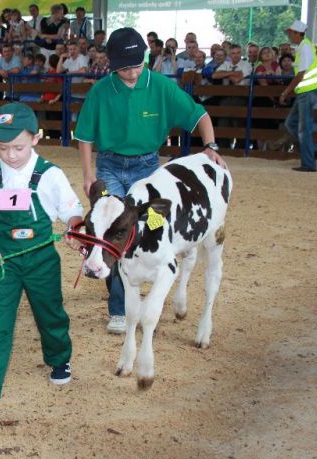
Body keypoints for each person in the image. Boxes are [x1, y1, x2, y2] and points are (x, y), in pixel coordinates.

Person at [74, 27, 227, 334]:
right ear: (112, 64)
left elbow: (199, 115)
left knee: (152, 229)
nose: (131, 73)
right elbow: (85, 136)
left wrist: (210, 146)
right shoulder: (101, 91)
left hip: (147, 166)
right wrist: (89, 174)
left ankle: (151, 290)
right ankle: (119, 308)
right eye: (124, 67)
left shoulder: (160, 86)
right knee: (113, 233)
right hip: (110, 165)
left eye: (136, 65)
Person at [0, 102, 84, 417]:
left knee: (50, 313)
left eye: (18, 147)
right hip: (6, 262)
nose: (11, 155)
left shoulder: (50, 175)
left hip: (42, 259)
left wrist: (73, 229)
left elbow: (72, 211)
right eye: (3, 148)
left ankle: (59, 358)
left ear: (36, 139)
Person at [278, 20, 317, 172]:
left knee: (303, 128)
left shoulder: (304, 48)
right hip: (306, 92)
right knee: (292, 123)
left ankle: (309, 163)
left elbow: (301, 74)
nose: (289, 35)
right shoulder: (304, 46)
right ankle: (313, 150)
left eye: (290, 32)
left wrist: (286, 92)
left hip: (306, 92)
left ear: (297, 33)